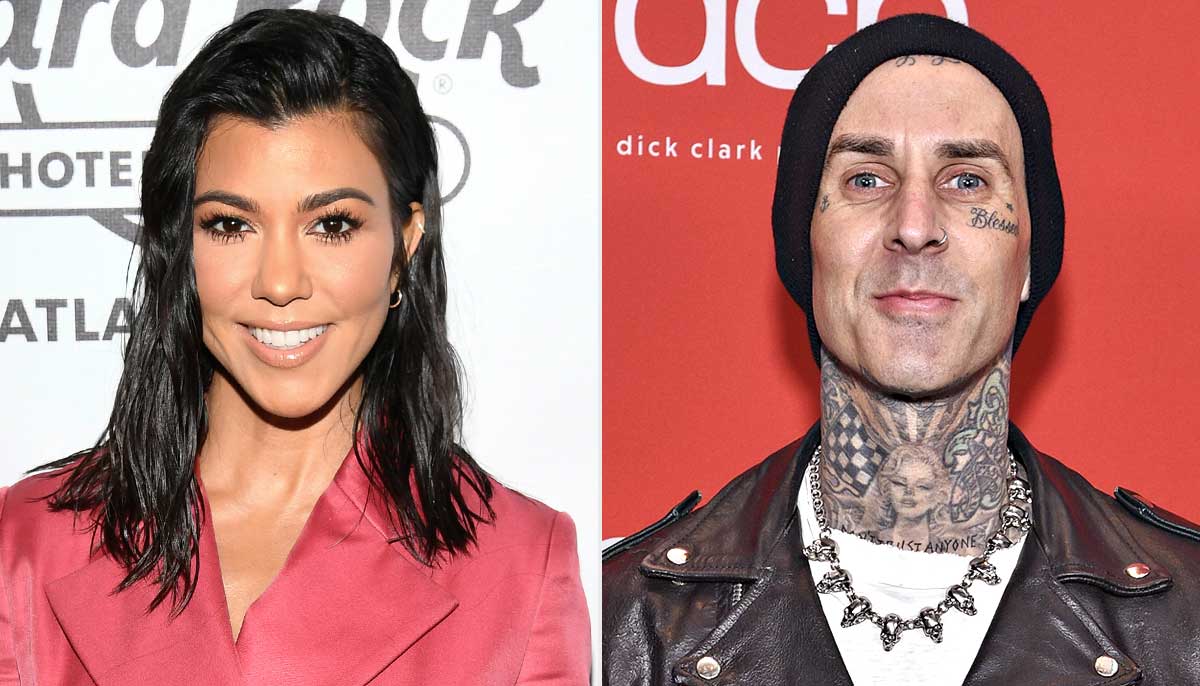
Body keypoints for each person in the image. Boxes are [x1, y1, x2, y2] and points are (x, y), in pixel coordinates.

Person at [603, 13, 1199, 686]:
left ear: (1030, 258)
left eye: (967, 180)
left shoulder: (1188, 618)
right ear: (805, 249)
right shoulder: (623, 620)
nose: (914, 227)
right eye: (866, 179)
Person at [0, 10, 589, 685]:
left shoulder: (523, 569)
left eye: (332, 225)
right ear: (179, 245)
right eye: (231, 225)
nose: (280, 283)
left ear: (404, 245)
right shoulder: (25, 548)